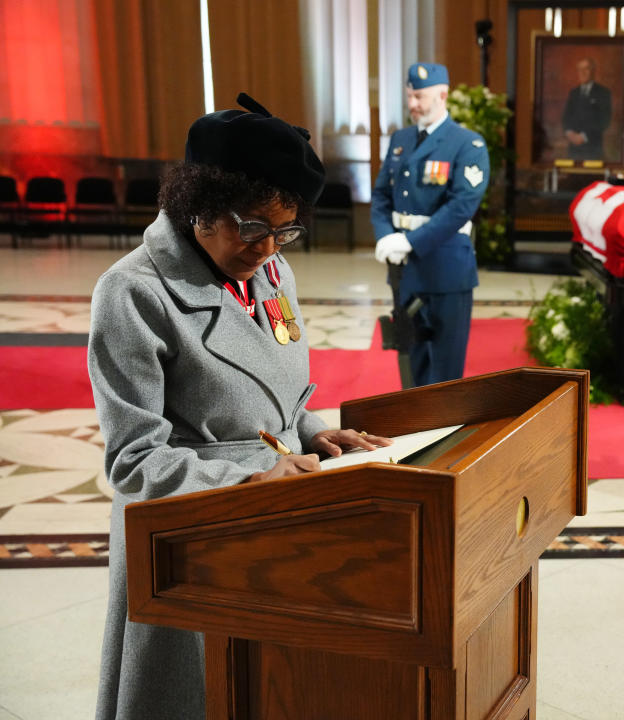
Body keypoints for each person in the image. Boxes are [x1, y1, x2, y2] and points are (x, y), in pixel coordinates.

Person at [89, 93, 392, 720]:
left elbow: (277, 386)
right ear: (196, 203)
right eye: (253, 226)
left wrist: (310, 432)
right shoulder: (134, 292)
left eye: (286, 230)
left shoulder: (270, 269)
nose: (268, 247)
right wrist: (251, 475)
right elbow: (133, 462)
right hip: (188, 535)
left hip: (273, 520)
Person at [371, 62, 490, 387]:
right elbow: (381, 195)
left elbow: (461, 206)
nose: (412, 104)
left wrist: (410, 241)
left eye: (419, 96)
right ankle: (415, 428)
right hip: (405, 269)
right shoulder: (401, 139)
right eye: (409, 96)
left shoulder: (468, 144)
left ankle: (446, 432)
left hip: (446, 267)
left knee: (446, 368)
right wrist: (385, 236)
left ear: (442, 95)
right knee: (410, 358)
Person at [561, 57, 612, 161]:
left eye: (586, 69)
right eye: (580, 69)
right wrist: (569, 133)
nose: (582, 73)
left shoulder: (603, 93)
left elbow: (604, 120)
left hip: (593, 149)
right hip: (573, 150)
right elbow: (566, 117)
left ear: (593, 71)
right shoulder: (573, 93)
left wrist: (583, 136)